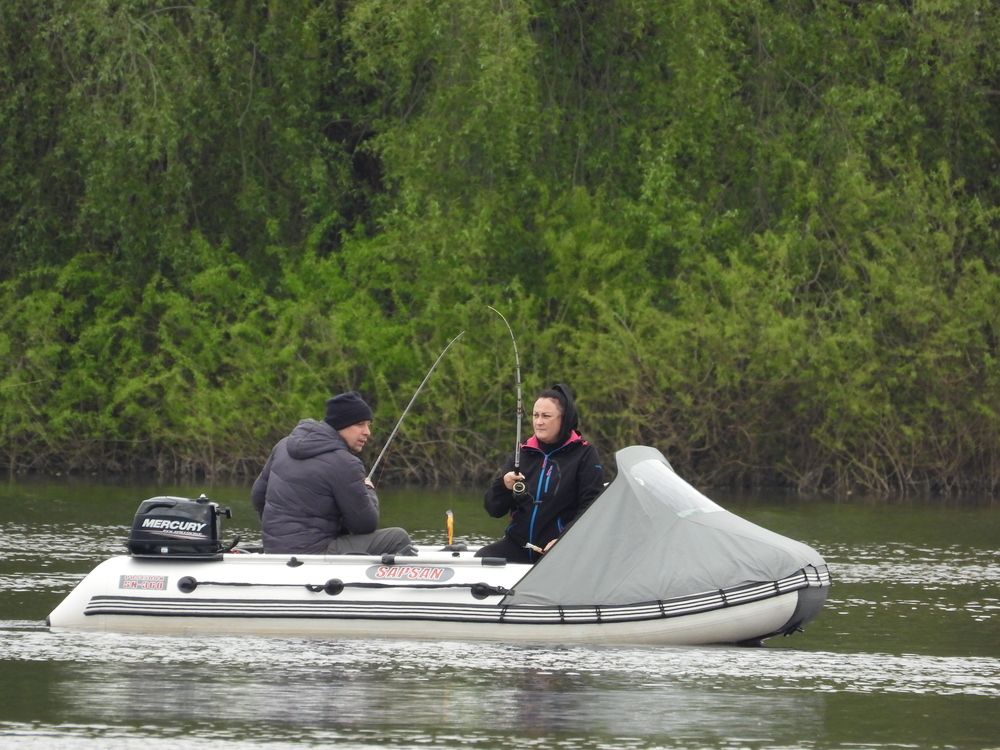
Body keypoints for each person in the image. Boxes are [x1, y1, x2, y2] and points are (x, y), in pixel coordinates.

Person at [251, 391, 415, 555]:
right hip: (315, 553)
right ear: (341, 424)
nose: (367, 432)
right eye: (360, 424)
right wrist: (369, 490)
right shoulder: (346, 463)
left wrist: (281, 534)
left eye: (368, 425)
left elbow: (257, 497)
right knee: (398, 538)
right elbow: (365, 525)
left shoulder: (282, 446)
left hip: (273, 549)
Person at [477, 383, 604, 563]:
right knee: (481, 558)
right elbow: (493, 509)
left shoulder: (585, 454)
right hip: (518, 546)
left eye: (546, 416)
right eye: (535, 415)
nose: (538, 422)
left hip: (560, 550)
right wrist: (503, 486)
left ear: (564, 419)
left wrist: (564, 540)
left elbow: (592, 508)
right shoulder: (522, 452)